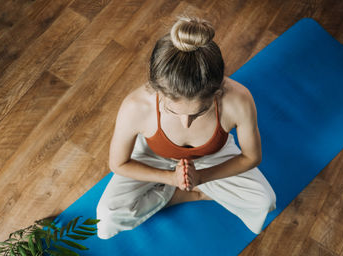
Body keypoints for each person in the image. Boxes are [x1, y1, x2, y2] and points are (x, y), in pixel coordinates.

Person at [96, 15, 277, 240]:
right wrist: (171, 178)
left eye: (200, 112)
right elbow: (118, 163)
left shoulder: (238, 99)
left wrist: (201, 176)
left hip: (213, 156)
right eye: (174, 111)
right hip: (153, 156)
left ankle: (192, 191)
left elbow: (251, 157)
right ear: (157, 91)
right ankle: (187, 193)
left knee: (264, 202)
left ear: (218, 90)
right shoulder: (136, 106)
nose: (186, 123)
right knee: (106, 217)